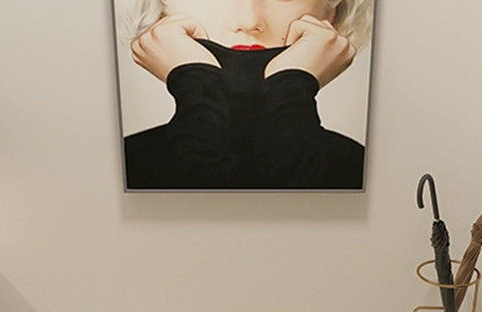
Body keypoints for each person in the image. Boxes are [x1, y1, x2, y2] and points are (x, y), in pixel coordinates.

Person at [119, 0, 375, 189]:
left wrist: (198, 88)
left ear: (331, 10)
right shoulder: (117, 169)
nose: (249, 23)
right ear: (162, 8)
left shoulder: (367, 174)